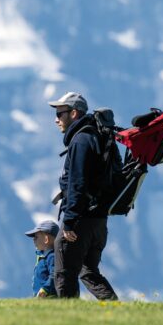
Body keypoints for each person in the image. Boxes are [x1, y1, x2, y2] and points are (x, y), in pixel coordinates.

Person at [48, 92, 119, 300]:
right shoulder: (99, 136)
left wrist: (69, 221)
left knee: (63, 273)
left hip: (80, 221)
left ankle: (69, 323)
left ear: (74, 113)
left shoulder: (81, 140)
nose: (56, 119)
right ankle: (116, 310)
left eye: (60, 113)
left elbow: (77, 183)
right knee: (88, 271)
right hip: (99, 220)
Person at [24, 220, 59, 298]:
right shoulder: (43, 256)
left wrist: (45, 289)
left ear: (46, 239)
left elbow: (54, 275)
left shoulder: (52, 257)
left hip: (49, 296)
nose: (33, 239)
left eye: (36, 237)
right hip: (40, 296)